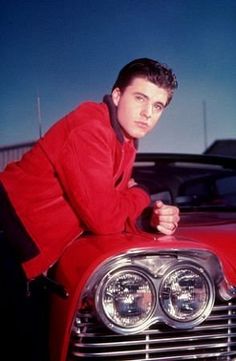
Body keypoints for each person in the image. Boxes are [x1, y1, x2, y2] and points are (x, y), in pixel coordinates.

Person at [0, 57, 180, 360]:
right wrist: (143, 193)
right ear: (117, 96)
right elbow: (106, 219)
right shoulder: (91, 128)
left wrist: (151, 217)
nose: (148, 113)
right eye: (140, 98)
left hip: (26, 256)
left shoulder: (125, 143)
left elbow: (113, 200)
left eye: (158, 106)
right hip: (6, 239)